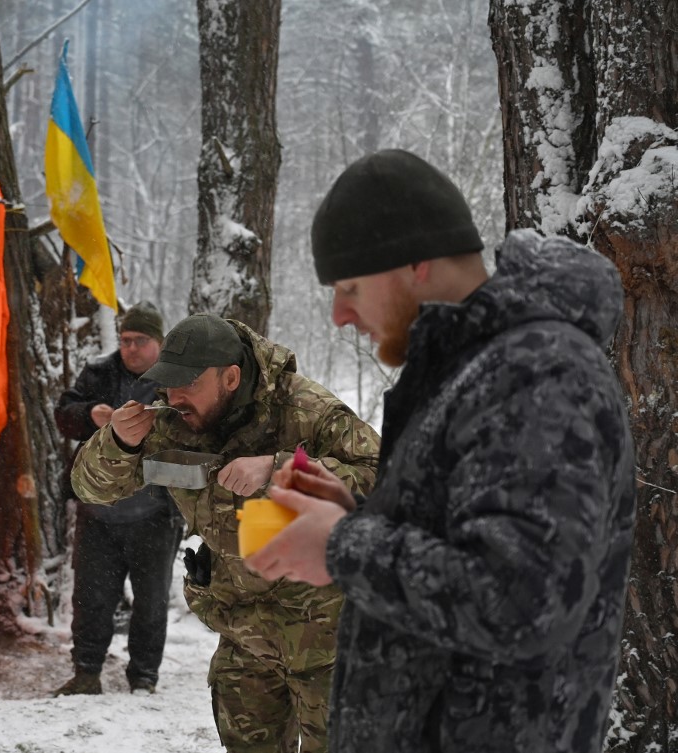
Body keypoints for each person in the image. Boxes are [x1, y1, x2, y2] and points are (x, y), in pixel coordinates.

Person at [245, 148, 636, 753]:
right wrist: (357, 518)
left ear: (416, 264)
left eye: (349, 286)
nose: (339, 315)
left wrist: (344, 545)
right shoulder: (470, 370)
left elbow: (522, 598)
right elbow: (463, 551)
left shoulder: (539, 373)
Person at [71, 312, 380, 752]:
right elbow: (90, 487)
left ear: (231, 377)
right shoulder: (169, 419)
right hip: (245, 634)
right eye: (167, 382)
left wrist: (280, 470)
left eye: (188, 383)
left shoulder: (305, 410)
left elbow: (383, 476)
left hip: (329, 639)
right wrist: (119, 442)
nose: (173, 396)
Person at [51, 301, 184, 696]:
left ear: (160, 343)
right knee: (90, 597)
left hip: (155, 512)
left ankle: (144, 677)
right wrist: (90, 413)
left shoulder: (177, 378)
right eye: (125, 340)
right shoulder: (100, 373)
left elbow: (195, 432)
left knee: (151, 601)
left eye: (140, 340)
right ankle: (86, 672)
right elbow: (64, 412)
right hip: (98, 511)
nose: (130, 348)